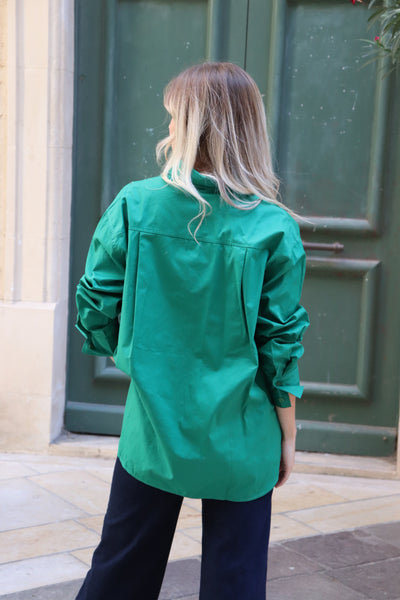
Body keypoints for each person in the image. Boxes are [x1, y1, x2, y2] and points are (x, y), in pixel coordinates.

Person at [74, 62, 309, 600]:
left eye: (174, 116)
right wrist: (289, 435)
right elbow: (280, 346)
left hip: (153, 427)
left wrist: (142, 354)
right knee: (235, 583)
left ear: (194, 126)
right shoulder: (274, 226)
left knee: (119, 574)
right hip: (242, 433)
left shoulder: (135, 204)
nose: (168, 128)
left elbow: (96, 306)